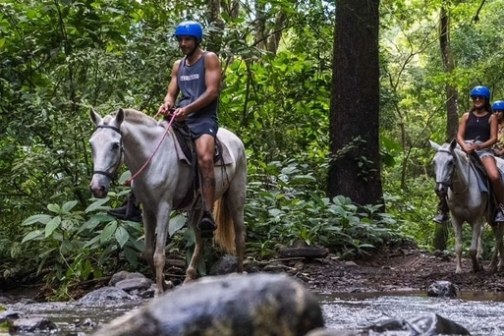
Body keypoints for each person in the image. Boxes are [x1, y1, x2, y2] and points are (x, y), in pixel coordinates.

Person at [157, 20, 221, 237]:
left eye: (187, 40)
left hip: (203, 118)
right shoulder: (178, 65)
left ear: (196, 40)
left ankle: (207, 213)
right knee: (152, 143)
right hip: (181, 116)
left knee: (204, 157)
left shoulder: (209, 59)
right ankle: (133, 203)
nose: (183, 43)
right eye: (180, 40)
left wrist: (189, 109)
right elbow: (171, 92)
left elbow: (212, 92)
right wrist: (167, 104)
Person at [456, 85, 504, 222]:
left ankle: (501, 207)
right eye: (475, 97)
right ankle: (443, 208)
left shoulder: (492, 117)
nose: (477, 99)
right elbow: (459, 135)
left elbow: (494, 138)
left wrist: (480, 146)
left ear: (486, 99)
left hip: (483, 151)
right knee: (447, 168)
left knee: (494, 176)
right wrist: (464, 146)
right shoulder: (466, 116)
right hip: (465, 150)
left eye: (480, 97)